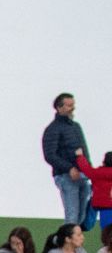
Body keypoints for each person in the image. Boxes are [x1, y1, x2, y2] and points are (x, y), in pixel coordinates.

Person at [42, 93, 91, 226]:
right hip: (65, 176)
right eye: (69, 105)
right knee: (72, 216)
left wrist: (89, 170)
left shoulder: (76, 127)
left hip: (82, 176)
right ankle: (66, 239)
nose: (72, 108)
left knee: (81, 216)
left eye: (73, 105)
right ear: (59, 108)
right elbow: (49, 155)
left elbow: (84, 150)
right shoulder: (53, 129)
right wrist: (69, 168)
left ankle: (73, 239)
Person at [74, 148, 112, 232]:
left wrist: (80, 156)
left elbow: (86, 168)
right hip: (109, 205)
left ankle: (86, 225)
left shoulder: (97, 173)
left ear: (104, 162)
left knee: (105, 229)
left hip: (99, 203)